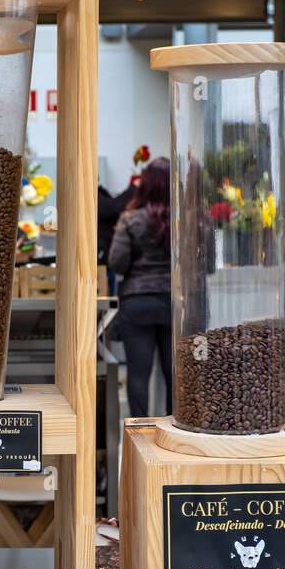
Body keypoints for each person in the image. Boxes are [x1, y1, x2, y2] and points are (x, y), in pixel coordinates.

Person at [107, 157, 172, 418]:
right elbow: (205, 264)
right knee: (177, 377)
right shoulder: (189, 218)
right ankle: (176, 434)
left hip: (138, 303)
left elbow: (117, 263)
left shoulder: (130, 219)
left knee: (137, 375)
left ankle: (139, 435)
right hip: (175, 304)